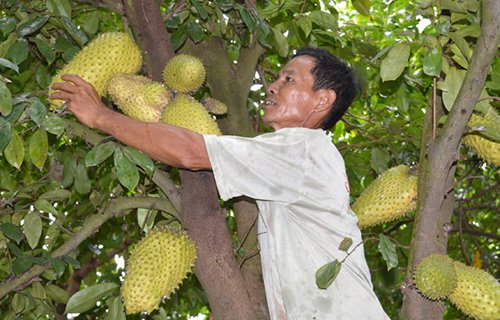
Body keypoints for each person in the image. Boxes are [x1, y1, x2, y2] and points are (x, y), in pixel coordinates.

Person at [50, 47, 389, 320]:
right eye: (277, 76)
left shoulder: (303, 149)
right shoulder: (298, 160)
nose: (273, 85)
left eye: (289, 79)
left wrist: (101, 116)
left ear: (322, 100)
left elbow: (191, 151)